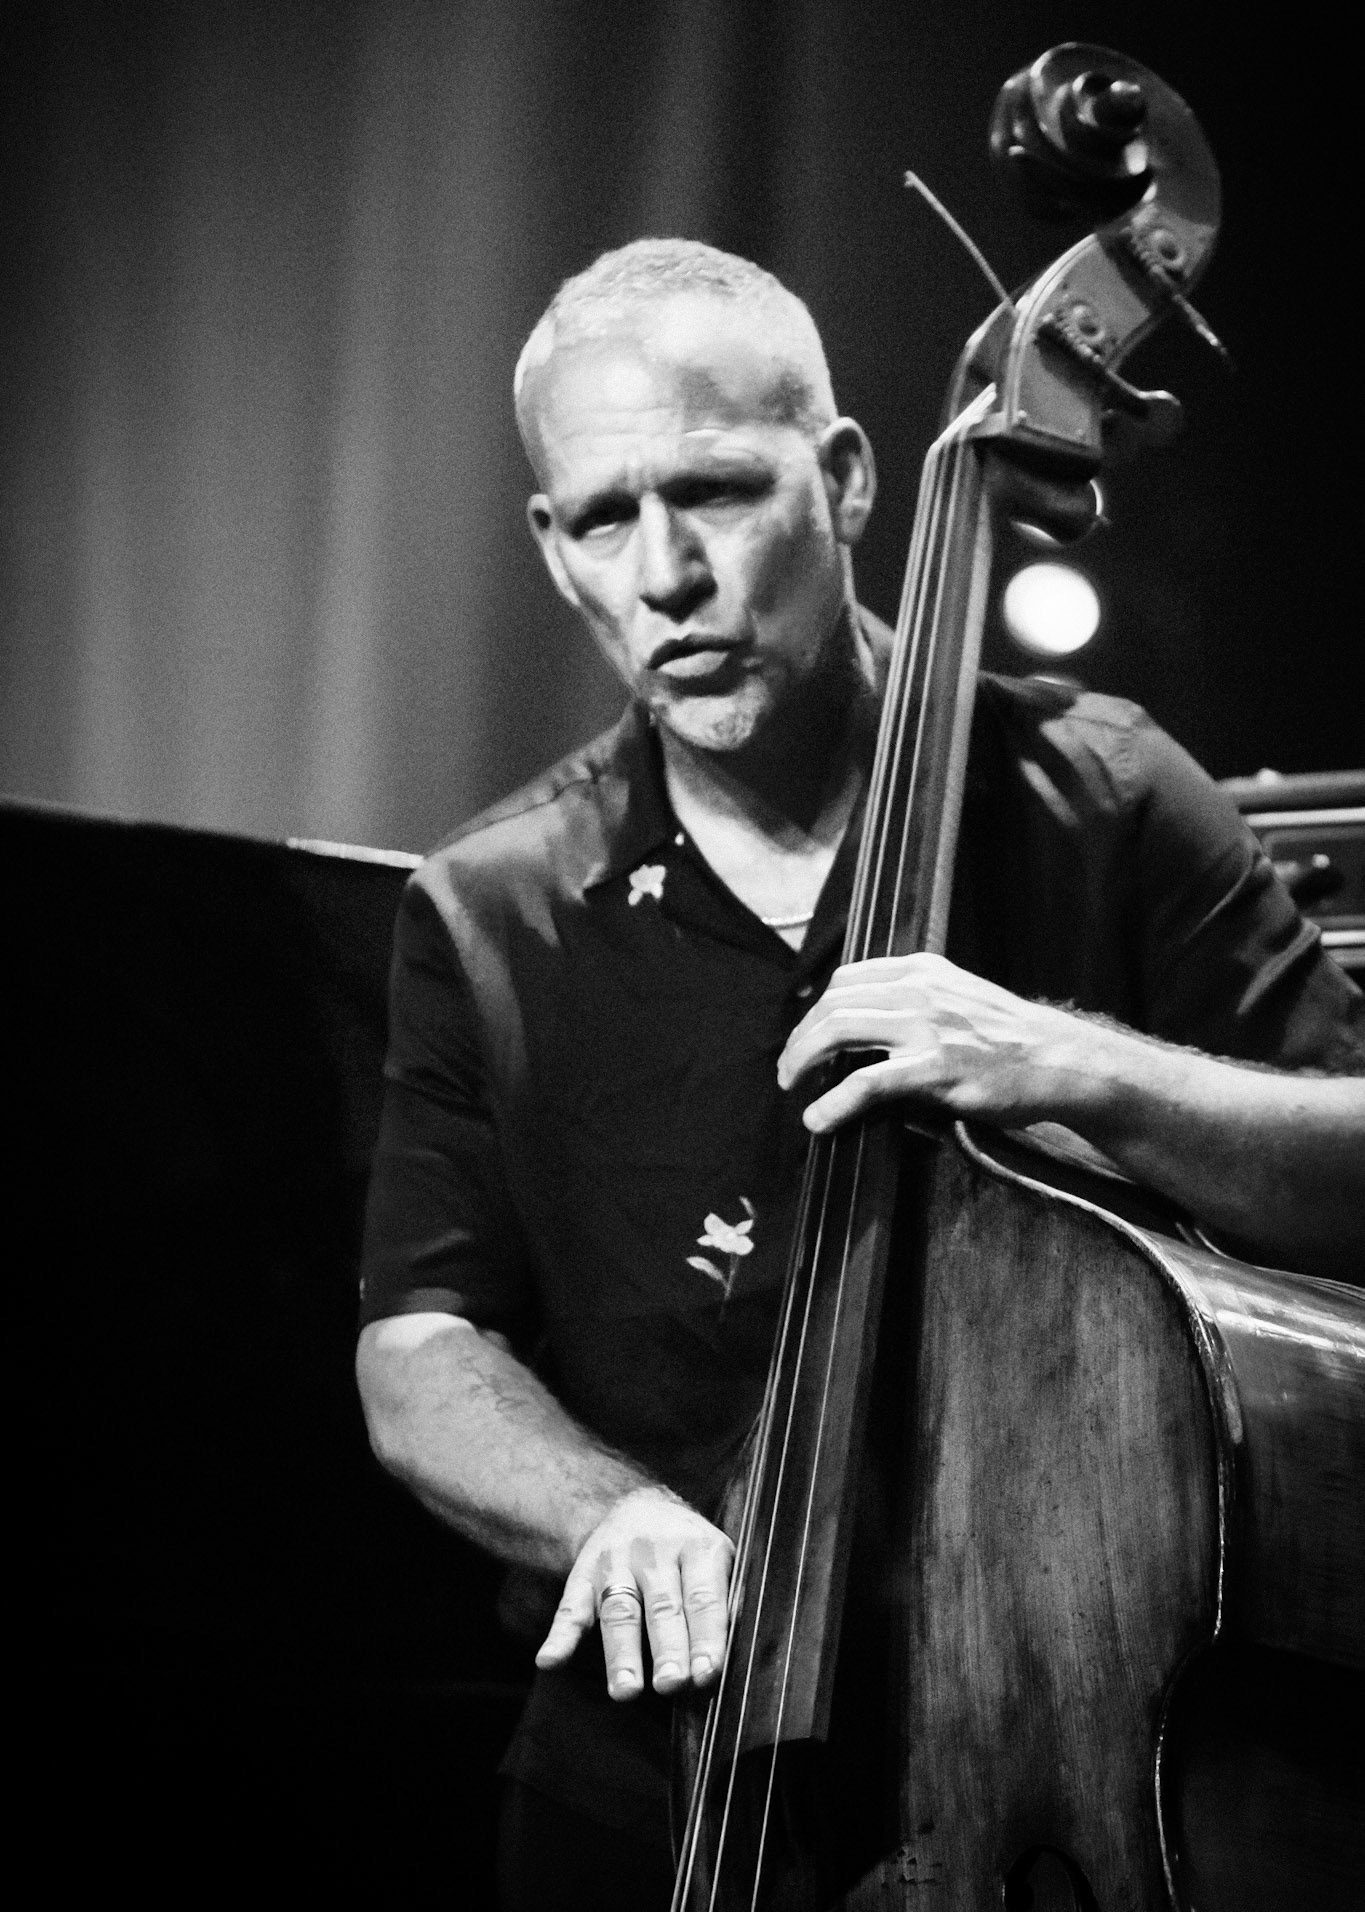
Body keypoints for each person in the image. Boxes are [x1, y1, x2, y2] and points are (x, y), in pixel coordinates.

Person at [354, 239, 1365, 1909]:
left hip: (1088, 1773)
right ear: (552, 551)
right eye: (605, 518)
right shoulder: (490, 912)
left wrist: (1076, 1068)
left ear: (841, 480)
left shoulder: (1105, 801)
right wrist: (612, 1517)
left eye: (719, 493)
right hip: (659, 1791)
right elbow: (418, 1340)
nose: (667, 573)